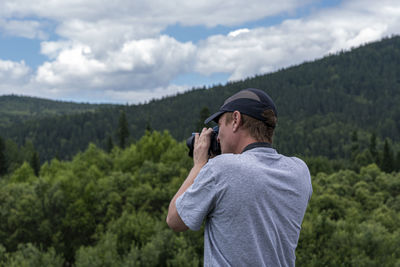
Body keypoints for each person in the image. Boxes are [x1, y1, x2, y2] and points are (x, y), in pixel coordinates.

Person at [166, 88, 312, 266]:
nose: (217, 136)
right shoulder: (299, 171)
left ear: (236, 120)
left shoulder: (222, 168)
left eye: (220, 126)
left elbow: (175, 220)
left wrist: (199, 165)